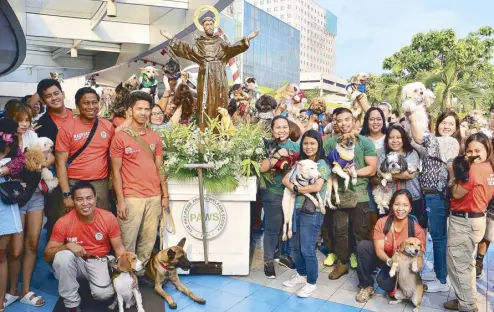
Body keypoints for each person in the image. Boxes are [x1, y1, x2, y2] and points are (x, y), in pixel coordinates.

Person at [163, 16, 259, 130]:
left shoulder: (220, 42)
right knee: (206, 104)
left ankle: (221, 131)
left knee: (220, 103)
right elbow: (187, 49)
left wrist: (247, 38)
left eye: (211, 24)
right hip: (206, 77)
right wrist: (171, 38)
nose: (209, 26)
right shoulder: (200, 43)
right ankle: (205, 131)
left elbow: (232, 48)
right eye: (206, 24)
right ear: (203, 27)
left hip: (219, 78)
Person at [44, 181, 126, 312]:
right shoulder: (63, 222)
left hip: (98, 261)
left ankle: (94, 283)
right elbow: (47, 255)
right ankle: (72, 305)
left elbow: (119, 248)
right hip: (76, 263)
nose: (85, 203)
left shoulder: (108, 218)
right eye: (79, 199)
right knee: (62, 257)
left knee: (103, 294)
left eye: (89, 198)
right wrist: (67, 246)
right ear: (73, 201)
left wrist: (128, 270)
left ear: (95, 198)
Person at [110, 91, 169, 267]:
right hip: (131, 197)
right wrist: (120, 201)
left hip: (154, 196)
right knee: (127, 240)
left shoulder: (154, 136)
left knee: (149, 240)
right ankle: (125, 274)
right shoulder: (120, 137)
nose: (144, 113)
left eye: (147, 109)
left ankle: (140, 272)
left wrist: (164, 195)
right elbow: (116, 171)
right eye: (139, 109)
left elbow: (160, 167)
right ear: (130, 111)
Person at [323, 107, 377, 279]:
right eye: (340, 120)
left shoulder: (364, 142)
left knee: (360, 232)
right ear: (335, 123)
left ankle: (364, 266)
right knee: (339, 230)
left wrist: (353, 172)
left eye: (347, 119)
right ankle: (342, 263)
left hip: (359, 192)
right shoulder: (331, 142)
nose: (344, 123)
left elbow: (372, 169)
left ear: (353, 120)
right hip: (338, 193)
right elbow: (325, 166)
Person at [409, 111, 460, 292]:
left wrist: (412, 113)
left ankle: (442, 280)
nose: (446, 126)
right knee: (437, 237)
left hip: (438, 195)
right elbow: (415, 143)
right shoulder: (436, 142)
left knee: (439, 238)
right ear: (437, 124)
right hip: (429, 195)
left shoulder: (449, 142)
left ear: (456, 128)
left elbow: (418, 137)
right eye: (443, 122)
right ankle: (440, 271)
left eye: (451, 124)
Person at [6, 106, 51, 308]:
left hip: (35, 195)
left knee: (32, 243)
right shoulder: (5, 140)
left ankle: (25, 290)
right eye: (19, 120)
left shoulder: (34, 137)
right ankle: (12, 290)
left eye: (27, 119)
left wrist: (40, 162)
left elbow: (49, 157)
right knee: (14, 249)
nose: (23, 124)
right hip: (14, 199)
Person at [443, 133, 494, 312]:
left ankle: (467, 305)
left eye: (477, 150)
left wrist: (452, 177)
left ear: (487, 149)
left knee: (457, 263)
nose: (472, 154)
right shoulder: (489, 167)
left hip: (464, 221)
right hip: (477, 220)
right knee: (466, 263)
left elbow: (456, 193)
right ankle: (464, 297)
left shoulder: (475, 169)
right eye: (469, 150)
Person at [281, 130, 330, 297]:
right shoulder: (299, 163)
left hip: (312, 210)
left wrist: (295, 188)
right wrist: (292, 186)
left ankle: (311, 281)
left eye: (312, 143)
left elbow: (316, 187)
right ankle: (301, 275)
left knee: (307, 248)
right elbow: (285, 180)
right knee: (294, 247)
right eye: (306, 143)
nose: (309, 147)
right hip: (296, 208)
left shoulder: (322, 164)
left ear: (319, 145)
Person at [354, 189, 426, 303]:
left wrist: (417, 264)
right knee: (363, 246)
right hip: (387, 259)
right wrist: (390, 261)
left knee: (383, 281)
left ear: (411, 208)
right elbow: (378, 249)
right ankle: (366, 286)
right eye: (397, 204)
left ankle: (402, 286)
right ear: (391, 205)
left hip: (404, 265)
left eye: (405, 205)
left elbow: (420, 255)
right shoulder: (383, 222)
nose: (400, 209)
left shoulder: (416, 228)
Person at [55, 87, 114, 212]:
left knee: (100, 222)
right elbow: (60, 164)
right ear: (77, 105)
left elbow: (112, 158)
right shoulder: (67, 128)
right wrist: (66, 194)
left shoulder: (108, 126)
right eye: (86, 103)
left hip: (100, 184)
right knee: (75, 226)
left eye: (94, 102)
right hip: (74, 183)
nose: (91, 106)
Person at [259, 116, 300, 278]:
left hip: (291, 193)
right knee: (272, 228)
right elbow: (262, 167)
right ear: (272, 130)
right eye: (278, 127)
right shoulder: (266, 146)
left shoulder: (296, 146)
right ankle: (268, 261)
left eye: (285, 127)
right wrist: (278, 155)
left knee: (286, 224)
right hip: (273, 192)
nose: (281, 130)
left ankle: (281, 255)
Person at [35, 79, 74, 236]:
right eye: (48, 96)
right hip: (57, 179)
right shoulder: (42, 124)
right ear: (44, 101)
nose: (54, 98)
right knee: (59, 220)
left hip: (84, 175)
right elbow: (45, 155)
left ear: (63, 94)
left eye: (56, 93)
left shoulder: (78, 115)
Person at [0, 118, 26, 311]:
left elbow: (18, 166)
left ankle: (0, 303)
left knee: (1, 255)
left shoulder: (17, 154)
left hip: (5, 207)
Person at [377, 125, 426, 226]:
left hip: (412, 197)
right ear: (387, 139)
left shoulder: (411, 153)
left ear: (404, 139)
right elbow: (377, 174)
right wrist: (383, 175)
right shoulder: (381, 153)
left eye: (398, 137)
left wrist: (387, 175)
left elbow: (409, 175)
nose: (395, 140)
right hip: (389, 199)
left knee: (413, 228)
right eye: (391, 137)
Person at [360, 107, 388, 244]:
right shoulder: (361, 139)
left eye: (378, 119)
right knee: (371, 222)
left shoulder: (390, 138)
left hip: (387, 187)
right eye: (371, 119)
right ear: (366, 121)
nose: (375, 122)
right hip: (367, 187)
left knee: (387, 223)